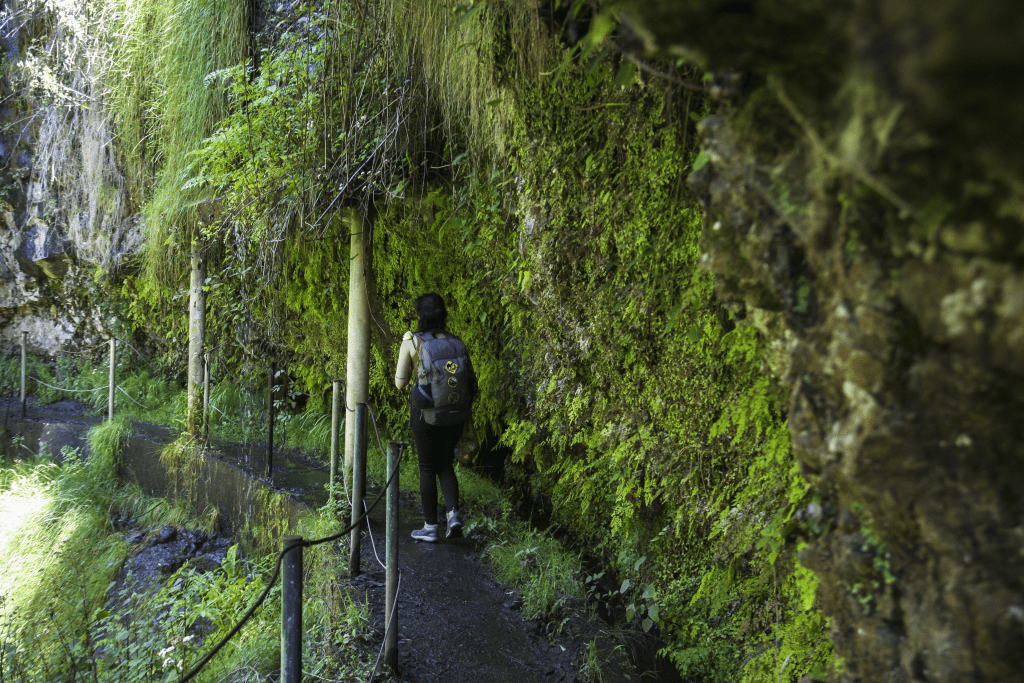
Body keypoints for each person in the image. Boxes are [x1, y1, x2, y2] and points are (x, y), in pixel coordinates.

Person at [394, 292, 476, 542]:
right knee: (445, 464)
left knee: (427, 468)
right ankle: (453, 516)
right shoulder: (455, 342)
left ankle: (430, 527)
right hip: (456, 412)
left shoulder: (412, 341)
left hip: (426, 414)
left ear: (419, 315)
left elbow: (400, 383)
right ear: (443, 315)